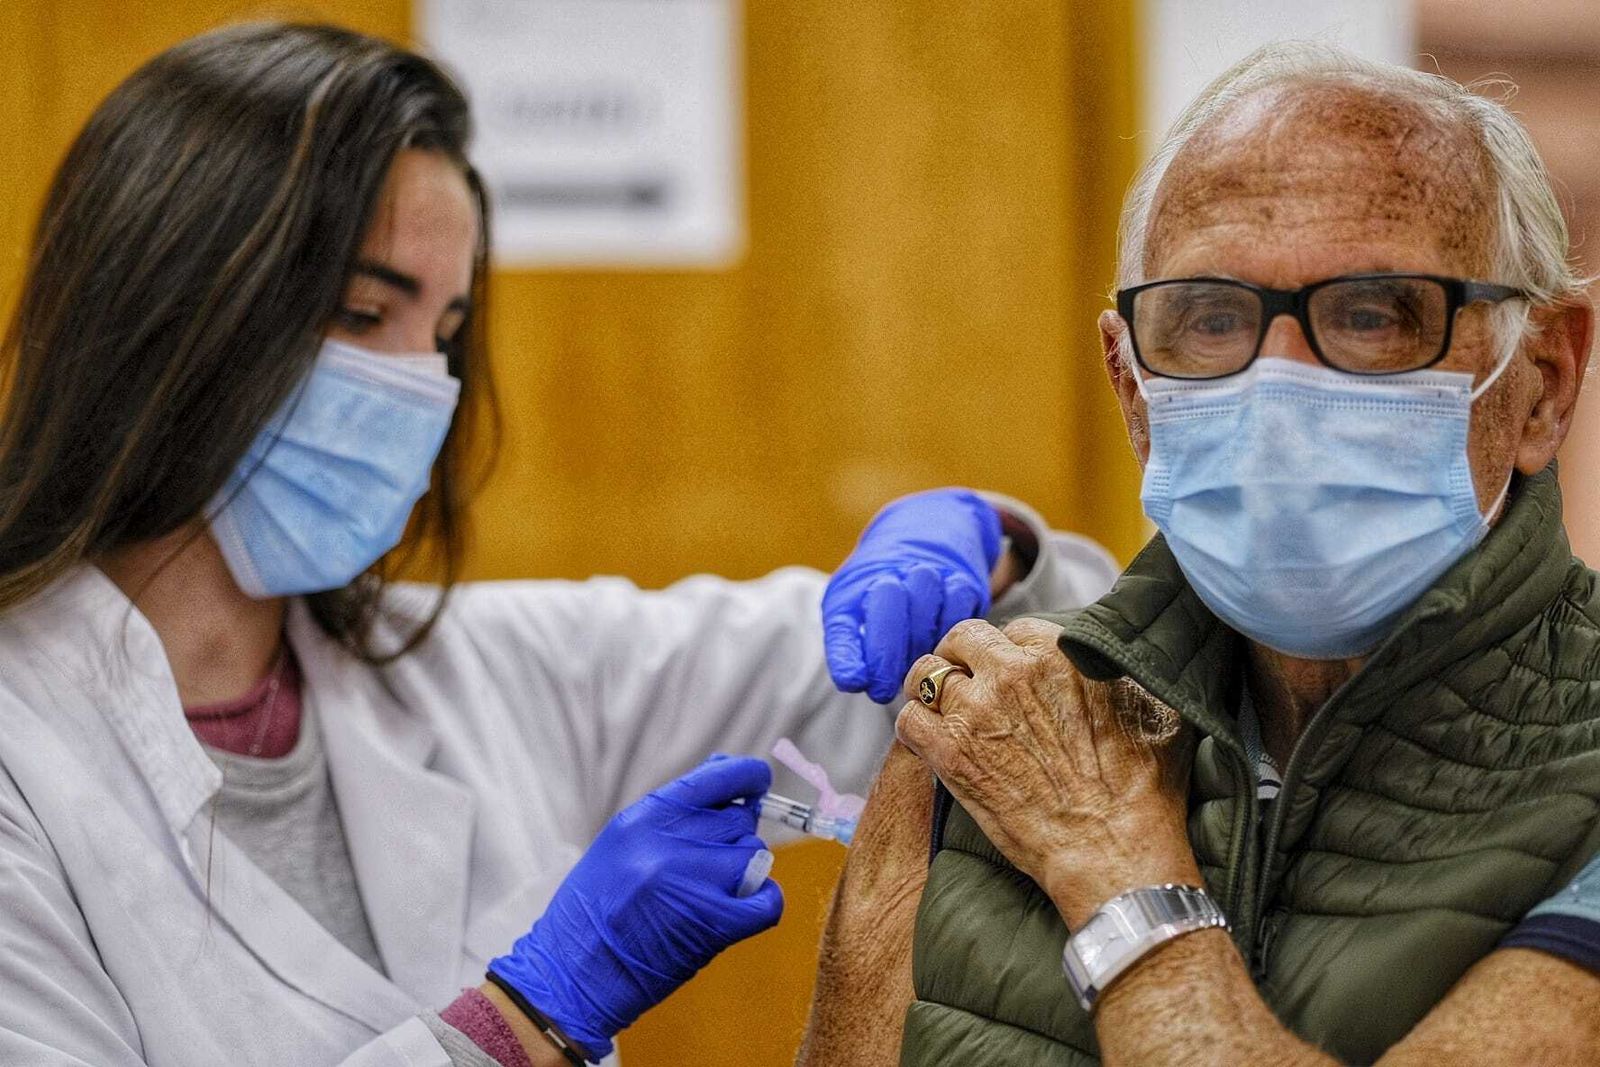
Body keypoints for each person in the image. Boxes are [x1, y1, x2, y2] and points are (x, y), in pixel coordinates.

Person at [0, 21, 1120, 1067]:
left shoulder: (473, 670)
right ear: (161, 307)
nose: (416, 383)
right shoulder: (26, 754)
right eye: (359, 314)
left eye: (443, 331)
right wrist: (524, 1019)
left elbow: (922, 668)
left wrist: (985, 549)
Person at [798, 42, 1600, 1067]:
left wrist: (1112, 861)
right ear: (1133, 389)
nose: (1276, 401)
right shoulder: (999, 727)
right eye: (1209, 319)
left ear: (1542, 378)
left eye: (1370, 314)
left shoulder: (1046, 779)